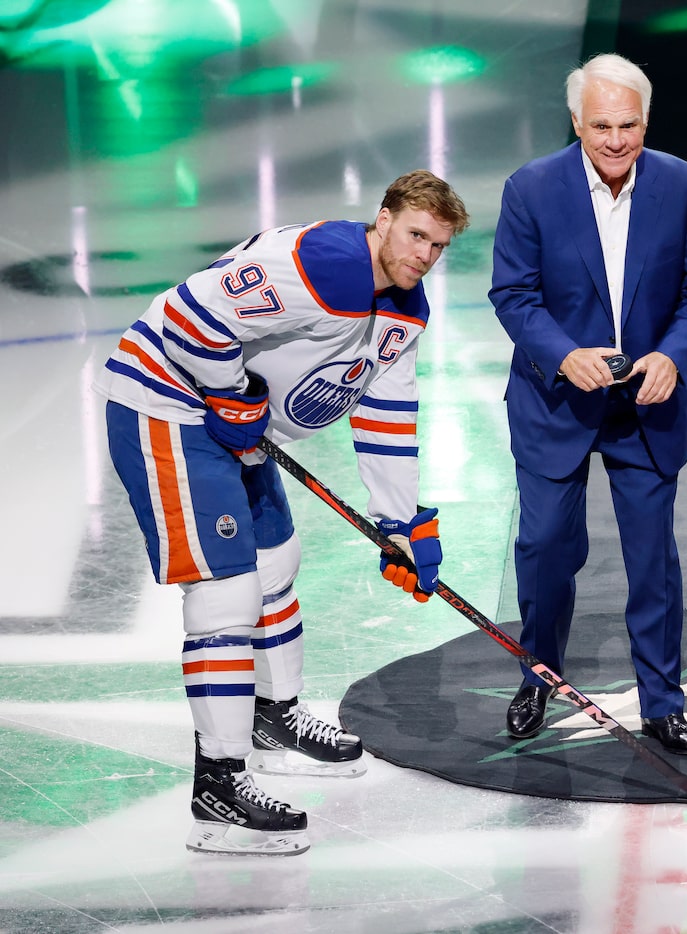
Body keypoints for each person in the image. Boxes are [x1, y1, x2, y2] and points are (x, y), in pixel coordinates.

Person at [96, 170, 470, 854]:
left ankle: (273, 716)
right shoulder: (320, 266)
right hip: (168, 407)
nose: (423, 254)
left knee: (277, 565)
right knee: (226, 591)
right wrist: (231, 391)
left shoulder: (405, 309)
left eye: (438, 246)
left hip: (234, 423)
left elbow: (386, 413)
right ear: (382, 220)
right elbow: (189, 317)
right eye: (415, 234)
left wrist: (400, 524)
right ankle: (219, 787)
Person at [489, 53, 687, 755]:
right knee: (542, 550)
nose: (617, 140)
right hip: (557, 398)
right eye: (601, 126)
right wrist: (563, 354)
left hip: (646, 405)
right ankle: (538, 673)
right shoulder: (530, 188)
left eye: (628, 125)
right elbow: (514, 294)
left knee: (652, 559)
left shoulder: (684, 186)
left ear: (645, 119)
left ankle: (662, 701)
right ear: (576, 121)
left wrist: (673, 357)